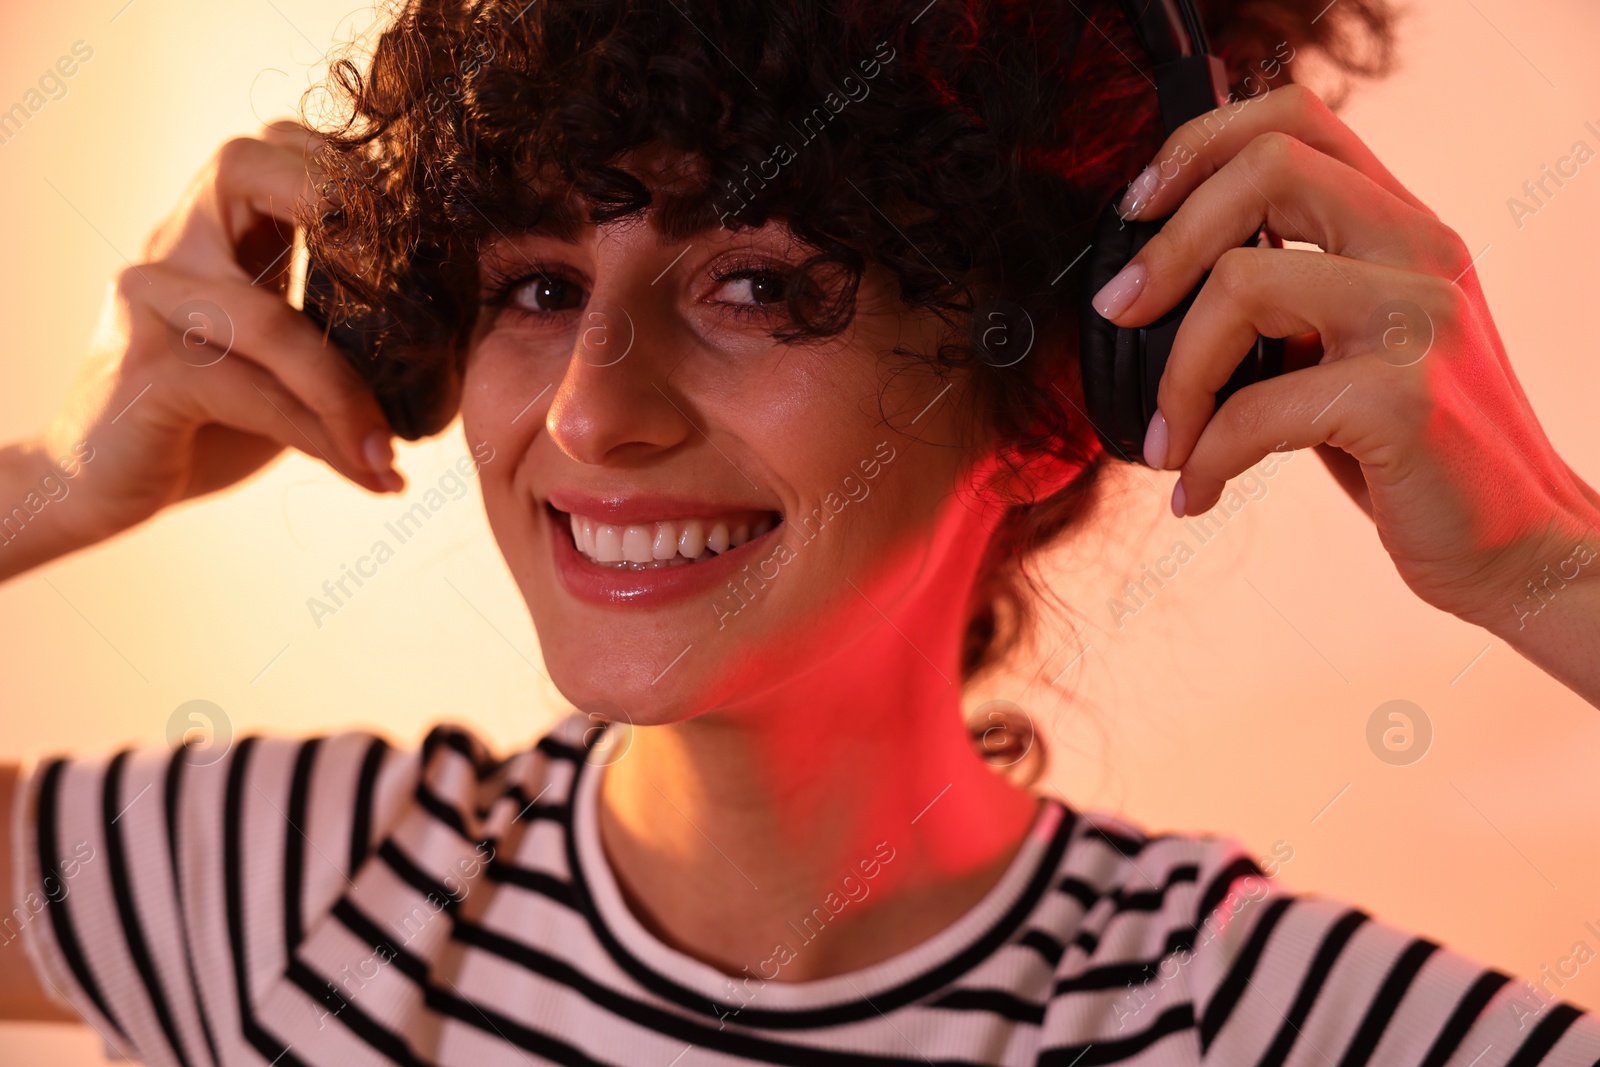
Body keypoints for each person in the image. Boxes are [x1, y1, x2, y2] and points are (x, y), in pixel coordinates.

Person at [3, 0, 1599, 1063]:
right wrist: (52, 485)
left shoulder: (1257, 1024)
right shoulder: (299, 893)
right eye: (539, 287)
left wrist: (1550, 565)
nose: (586, 416)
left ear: (1058, 391)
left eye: (756, 283)